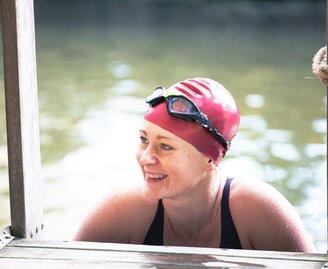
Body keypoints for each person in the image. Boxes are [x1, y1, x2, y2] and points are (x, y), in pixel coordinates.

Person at [74, 77, 315, 252]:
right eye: (144, 140)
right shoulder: (123, 209)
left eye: (165, 146)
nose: (146, 157)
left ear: (210, 159)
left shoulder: (258, 210)